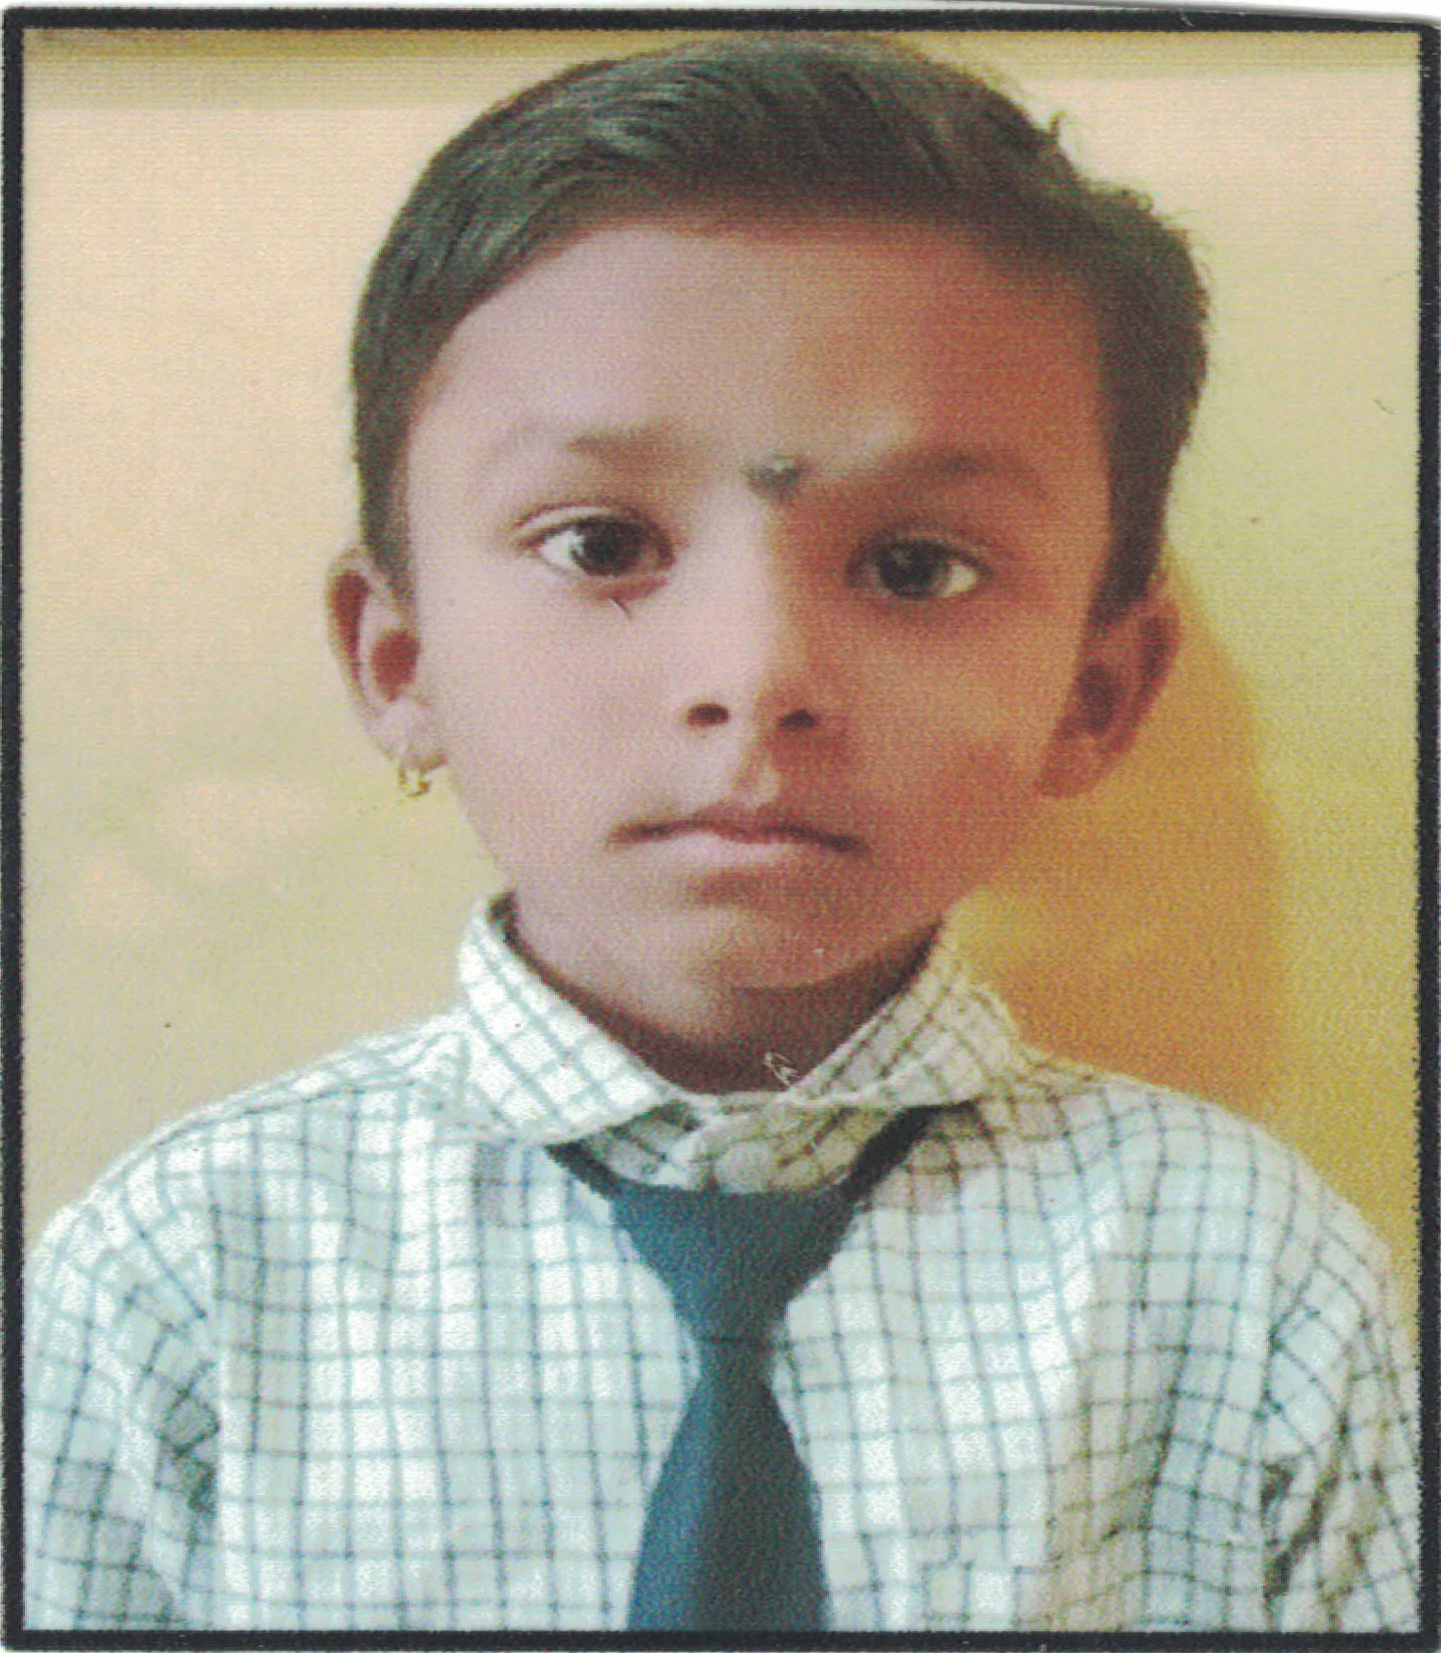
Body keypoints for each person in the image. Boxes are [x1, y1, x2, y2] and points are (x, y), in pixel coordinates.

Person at [24, 32, 1419, 1633]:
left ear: (1096, 693)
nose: (755, 677)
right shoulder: (187, 1276)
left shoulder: (1245, 1283)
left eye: (915, 566)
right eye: (599, 542)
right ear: (397, 660)